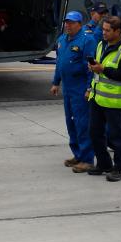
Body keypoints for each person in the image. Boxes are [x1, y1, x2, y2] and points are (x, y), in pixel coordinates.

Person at [87, 16, 121, 182]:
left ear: (118, 31)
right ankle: (104, 163)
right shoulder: (101, 45)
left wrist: (102, 69)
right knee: (95, 133)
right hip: (98, 98)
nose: (104, 33)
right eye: (103, 29)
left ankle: (120, 169)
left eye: (108, 30)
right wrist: (94, 71)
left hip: (115, 102)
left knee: (117, 136)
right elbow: (98, 71)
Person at [50, 11, 96, 173]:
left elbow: (91, 67)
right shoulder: (62, 40)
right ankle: (77, 154)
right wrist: (56, 82)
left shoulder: (87, 40)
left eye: (72, 23)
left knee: (82, 124)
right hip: (68, 88)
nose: (68, 25)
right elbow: (59, 63)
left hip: (80, 88)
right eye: (66, 22)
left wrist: (90, 87)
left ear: (80, 24)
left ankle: (87, 159)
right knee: (71, 122)